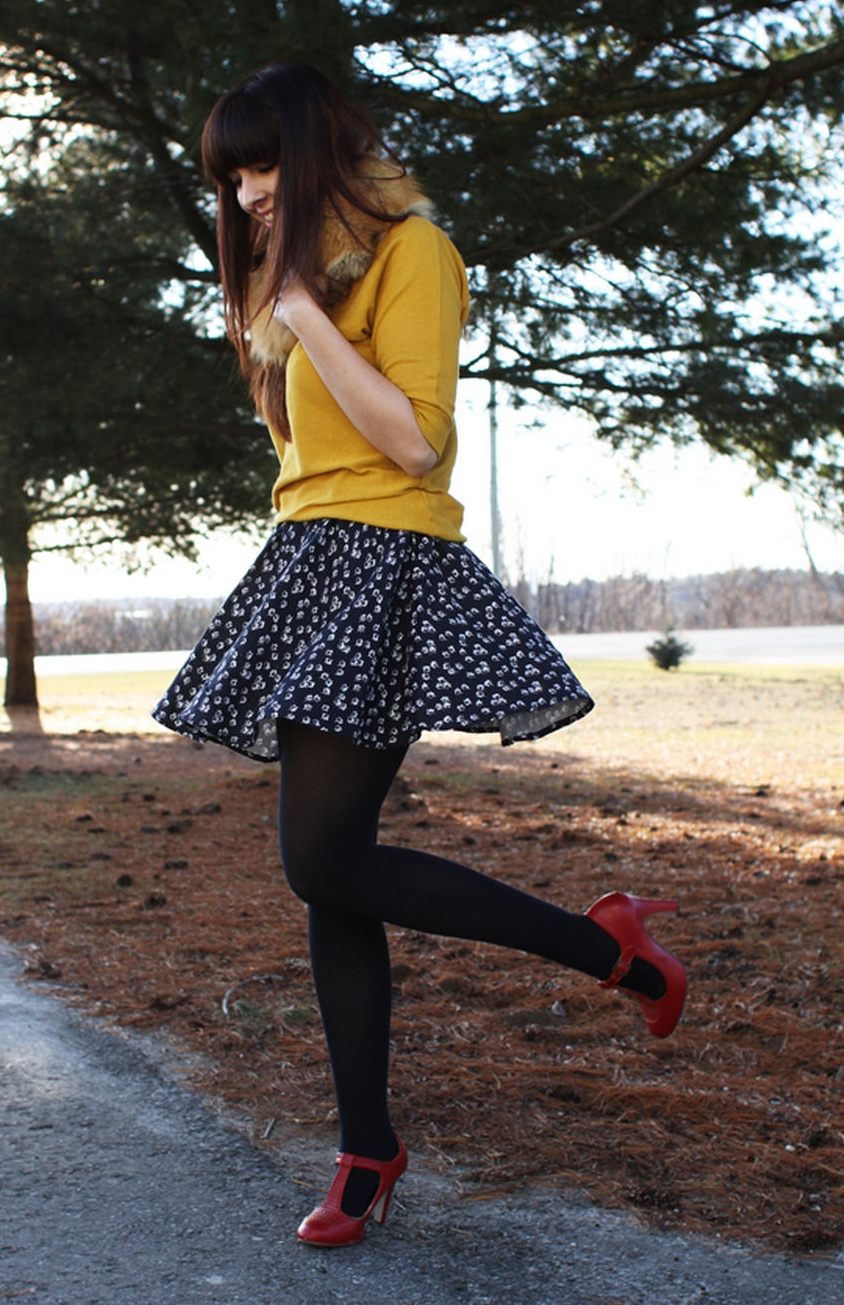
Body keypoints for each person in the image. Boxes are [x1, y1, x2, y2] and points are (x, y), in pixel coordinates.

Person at [153, 61, 686, 1248]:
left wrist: (297, 320)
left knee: (321, 862)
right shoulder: (291, 284)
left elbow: (416, 444)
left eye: (262, 165)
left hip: (388, 561)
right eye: (228, 176)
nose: (243, 195)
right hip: (305, 559)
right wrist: (277, 316)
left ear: (319, 150)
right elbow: (303, 450)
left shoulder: (414, 255)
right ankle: (368, 1145)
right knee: (328, 864)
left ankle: (604, 953)